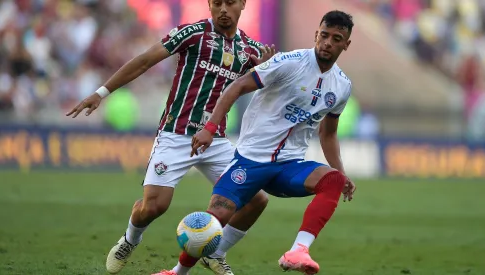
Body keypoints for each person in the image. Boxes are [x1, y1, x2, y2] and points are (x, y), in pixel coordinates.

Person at [66, 1, 276, 274]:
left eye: (230, 2)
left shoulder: (251, 50)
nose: (223, 9)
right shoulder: (192, 33)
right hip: (176, 134)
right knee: (154, 206)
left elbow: (276, 90)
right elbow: (144, 61)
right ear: (210, 5)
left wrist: (268, 73)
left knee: (257, 200)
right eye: (217, 3)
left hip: (215, 139)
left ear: (243, 4)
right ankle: (130, 240)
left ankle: (216, 253)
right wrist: (101, 93)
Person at [152, 10, 357, 275]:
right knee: (214, 221)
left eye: (336, 38)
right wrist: (210, 128)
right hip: (250, 161)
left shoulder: (341, 85)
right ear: (316, 34)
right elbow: (236, 87)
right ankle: (177, 272)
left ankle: (298, 251)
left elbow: (328, 134)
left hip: (288, 165)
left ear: (346, 44)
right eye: (324, 35)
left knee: (333, 181)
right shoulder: (288, 62)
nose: (328, 42)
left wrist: (341, 173)